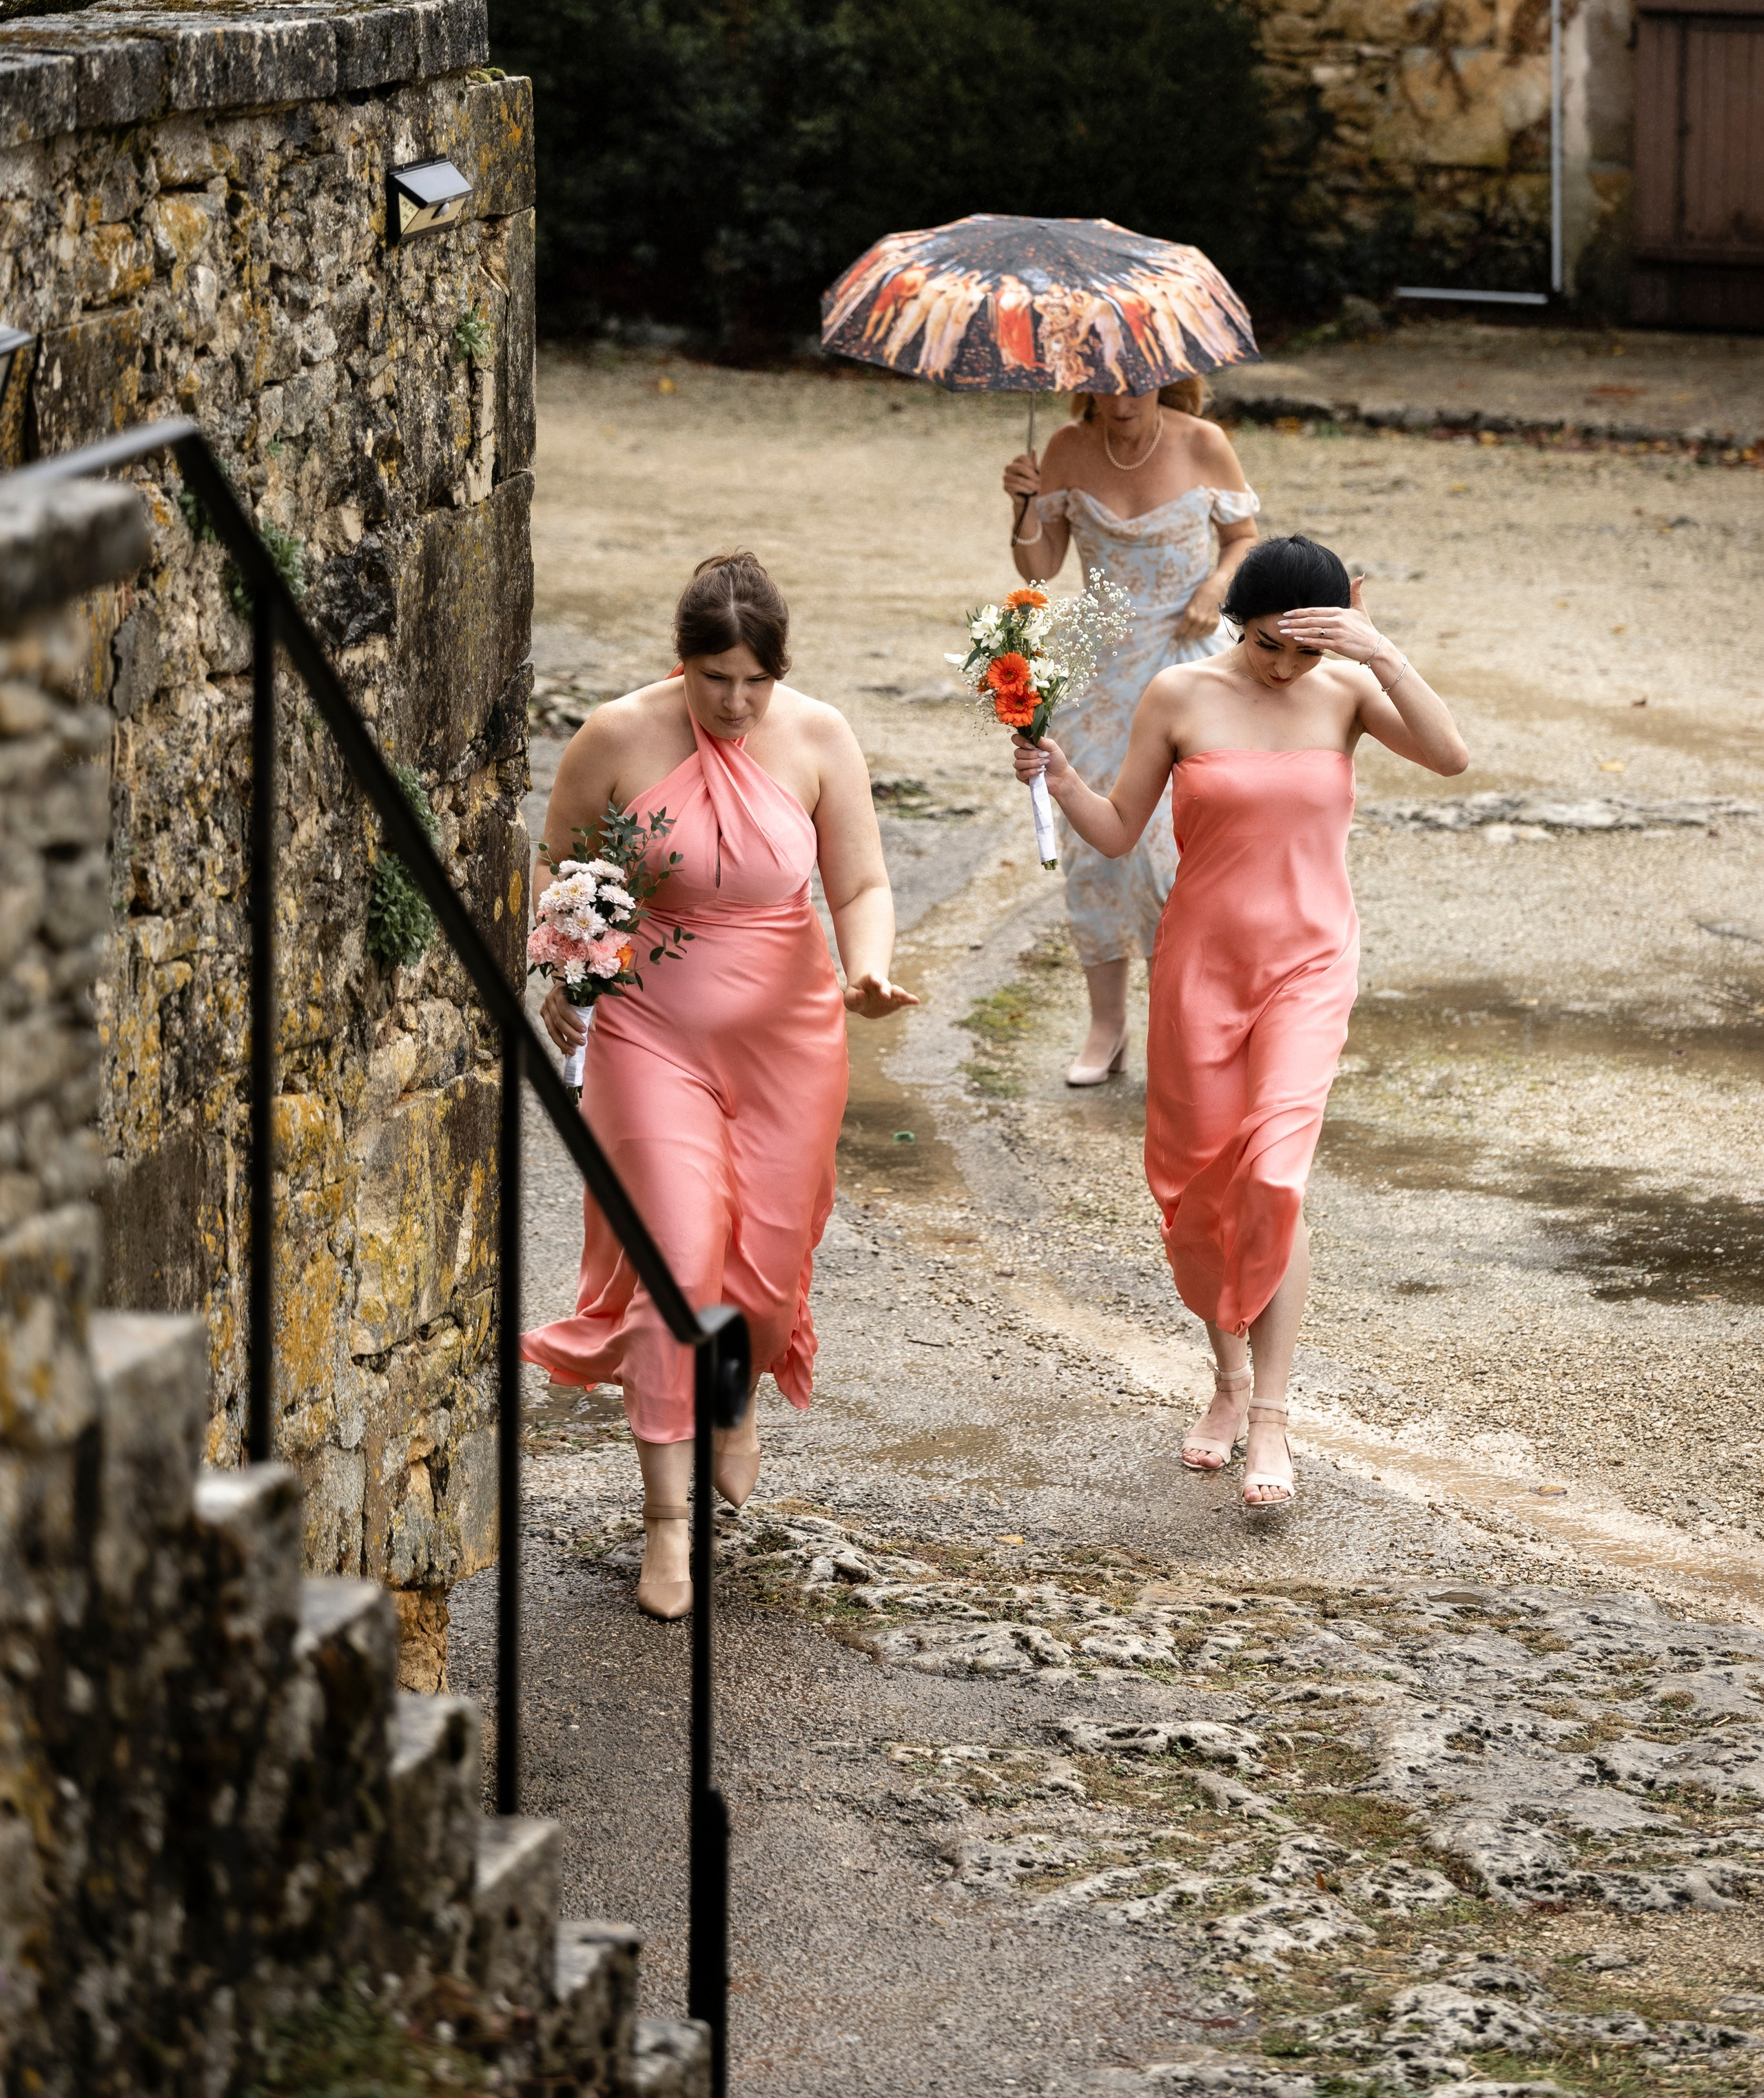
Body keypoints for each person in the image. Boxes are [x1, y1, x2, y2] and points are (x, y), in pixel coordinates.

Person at [1012, 537, 1467, 1511]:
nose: (1288, 667)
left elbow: (1450, 754)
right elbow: (1119, 829)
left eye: (1308, 649)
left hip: (1308, 964)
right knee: (1205, 1187)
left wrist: (1378, 650)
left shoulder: (1346, 691)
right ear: (1240, 623)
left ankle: (1273, 1416)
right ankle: (1224, 1385)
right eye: (1271, 645)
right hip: (1199, 970)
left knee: (1274, 1174)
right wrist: (1056, 775)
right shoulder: (1180, 697)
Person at [523, 553, 915, 1618]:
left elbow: (864, 881)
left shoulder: (821, 738)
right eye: (715, 681)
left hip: (791, 1042)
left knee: (767, 1268)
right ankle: (666, 1530)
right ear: (681, 663)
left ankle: (734, 1392)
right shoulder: (614, 737)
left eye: (756, 682)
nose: (737, 705)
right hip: (651, 1037)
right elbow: (559, 869)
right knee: (676, 1262)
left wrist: (868, 966)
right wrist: (565, 969)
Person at [1003, 381, 1258, 1084]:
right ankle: (1106, 1028)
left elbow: (1243, 540)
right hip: (1099, 669)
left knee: (1174, 852)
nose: (1122, 404)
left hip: (1187, 656)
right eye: (1106, 390)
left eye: (1136, 388)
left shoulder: (1202, 442)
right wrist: (1024, 506)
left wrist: (1215, 590)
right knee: (1096, 852)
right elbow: (1039, 568)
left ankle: (1185, 1026)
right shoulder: (1064, 447)